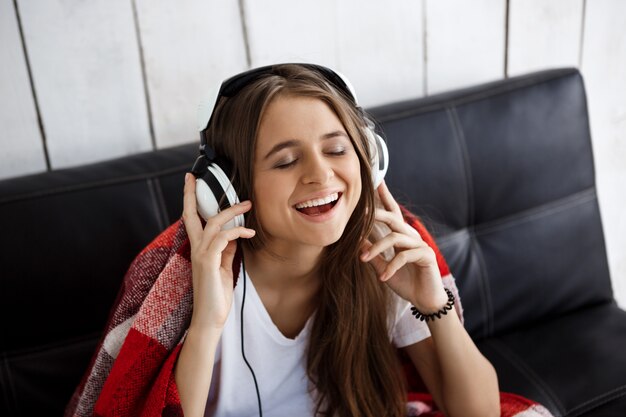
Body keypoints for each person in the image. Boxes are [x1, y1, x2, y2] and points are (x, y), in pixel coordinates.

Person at [176, 63, 500, 417]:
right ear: (227, 188)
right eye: (285, 161)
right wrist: (206, 324)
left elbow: (480, 413)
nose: (320, 174)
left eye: (336, 150)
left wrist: (434, 304)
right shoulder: (190, 280)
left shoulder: (386, 250)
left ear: (369, 158)